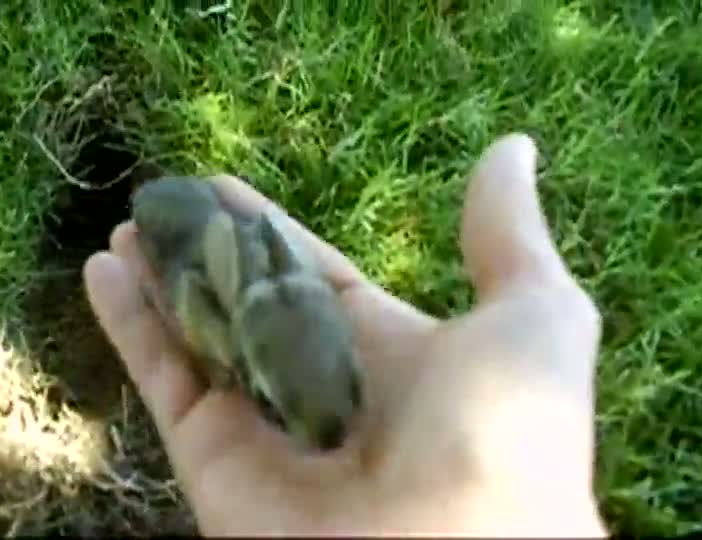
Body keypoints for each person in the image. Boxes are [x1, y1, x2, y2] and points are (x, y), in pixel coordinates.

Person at [83, 133, 609, 536]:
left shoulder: (286, 294)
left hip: (242, 260)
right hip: (192, 235)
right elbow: (197, 286)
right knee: (169, 237)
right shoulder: (227, 307)